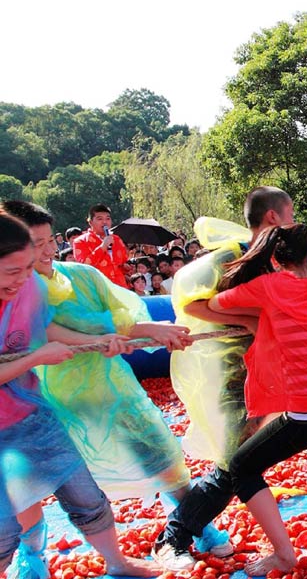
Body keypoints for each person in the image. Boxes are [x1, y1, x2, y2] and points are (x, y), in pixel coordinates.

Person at [157, 224, 307, 576]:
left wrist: (255, 318)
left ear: (276, 259)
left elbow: (205, 304)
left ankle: (284, 555)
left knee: (242, 469)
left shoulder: (268, 286)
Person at [0, 213, 161, 579]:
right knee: (3, 528)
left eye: (29, 267)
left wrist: (99, 340)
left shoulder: (29, 287)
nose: (23, 278)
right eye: (12, 272)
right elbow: (36, 350)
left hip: (31, 414)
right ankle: (30, 556)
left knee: (85, 494)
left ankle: (117, 562)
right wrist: (35, 358)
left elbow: (45, 326)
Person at [159, 187, 295, 571]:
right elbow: (191, 301)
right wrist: (247, 319)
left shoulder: (280, 259)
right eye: (290, 213)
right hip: (229, 377)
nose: (293, 221)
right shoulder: (229, 258)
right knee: (233, 465)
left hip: (263, 376)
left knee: (243, 462)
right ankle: (173, 536)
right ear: (273, 217)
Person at [72, 204, 130, 288]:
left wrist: (127, 267)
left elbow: (122, 263)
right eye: (100, 219)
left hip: (119, 287)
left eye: (108, 218)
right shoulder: (80, 241)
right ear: (90, 222)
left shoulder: (117, 239)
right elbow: (84, 266)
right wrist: (103, 247)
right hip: (96, 287)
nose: (105, 222)